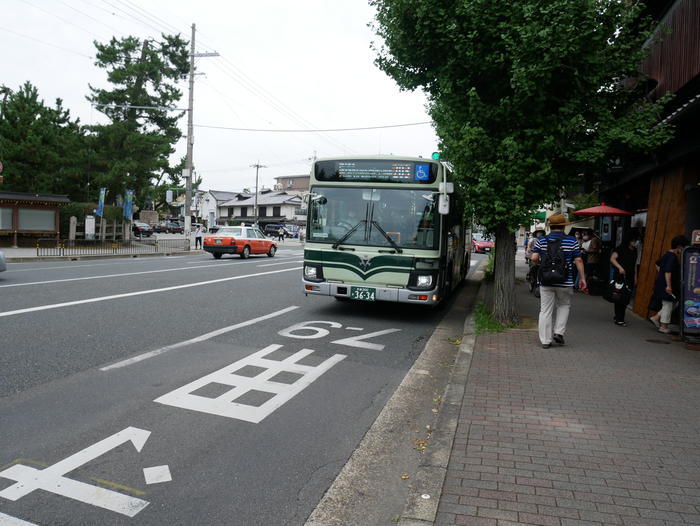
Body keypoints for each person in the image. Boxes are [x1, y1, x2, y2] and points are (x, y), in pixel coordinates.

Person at [531, 214, 586, 349]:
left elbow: (533, 258)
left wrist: (542, 264)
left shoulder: (542, 240)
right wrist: (583, 278)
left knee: (545, 310)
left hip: (546, 281)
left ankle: (545, 340)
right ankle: (559, 333)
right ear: (563, 226)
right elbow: (578, 260)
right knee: (563, 305)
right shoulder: (571, 241)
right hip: (565, 281)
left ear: (550, 226)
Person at [648, 235, 689, 334]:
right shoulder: (672, 257)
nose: (682, 250)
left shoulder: (667, 254)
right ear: (679, 246)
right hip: (667, 285)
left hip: (662, 283)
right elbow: (668, 271)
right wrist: (668, 285)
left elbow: (657, 264)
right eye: (683, 248)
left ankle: (656, 317)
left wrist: (661, 274)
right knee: (668, 304)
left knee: (672, 303)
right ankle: (663, 326)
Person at [609, 231, 640, 326]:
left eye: (637, 241)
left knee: (626, 298)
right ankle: (619, 318)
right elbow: (612, 259)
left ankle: (618, 316)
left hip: (630, 276)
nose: (636, 243)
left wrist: (635, 277)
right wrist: (620, 267)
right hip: (620, 276)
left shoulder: (635, 251)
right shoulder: (620, 249)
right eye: (634, 241)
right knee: (619, 296)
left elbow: (634, 265)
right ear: (629, 240)